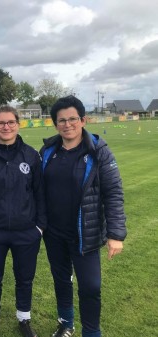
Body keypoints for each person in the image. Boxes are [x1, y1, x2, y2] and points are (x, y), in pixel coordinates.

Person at [39, 95, 127, 337]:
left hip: (83, 233)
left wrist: (116, 234)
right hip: (54, 233)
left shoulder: (99, 152)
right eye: (62, 120)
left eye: (72, 119)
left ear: (83, 120)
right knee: (61, 280)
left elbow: (113, 193)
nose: (68, 125)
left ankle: (91, 332)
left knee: (90, 286)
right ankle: (66, 324)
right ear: (55, 124)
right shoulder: (47, 151)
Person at [0, 105, 47, 337]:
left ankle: (24, 320)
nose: (6, 127)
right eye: (1, 123)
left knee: (24, 278)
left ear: (18, 124)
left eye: (10, 122)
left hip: (26, 231)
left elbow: (40, 193)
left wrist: (39, 227)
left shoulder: (32, 155)